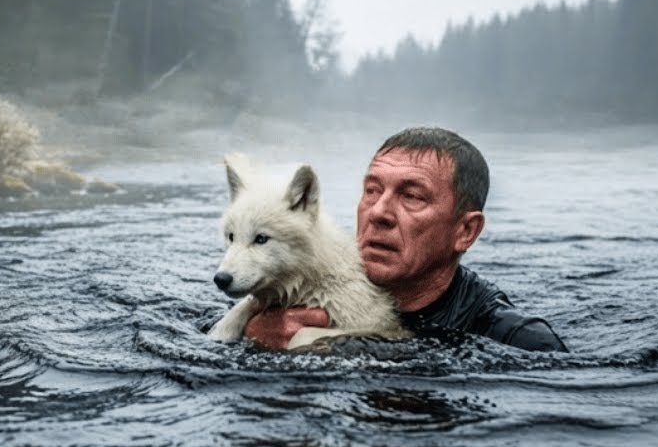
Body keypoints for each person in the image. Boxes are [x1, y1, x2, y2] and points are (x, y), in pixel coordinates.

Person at [243, 126, 567, 352]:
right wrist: (251, 339)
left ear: (465, 232)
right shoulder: (299, 285)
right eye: (371, 191)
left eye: (411, 196)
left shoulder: (518, 340)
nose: (378, 212)